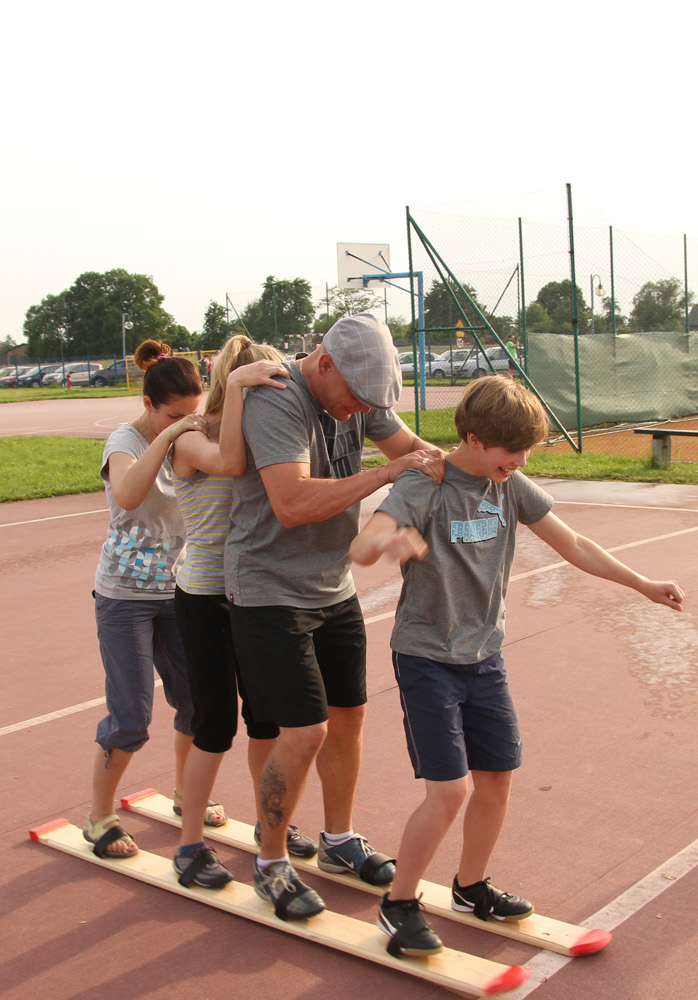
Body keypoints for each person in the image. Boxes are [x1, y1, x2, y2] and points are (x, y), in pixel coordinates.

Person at [350, 375, 685, 957]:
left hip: (485, 656)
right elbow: (362, 546)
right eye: (512, 451)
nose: (522, 461)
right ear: (474, 439)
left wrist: (642, 584)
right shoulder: (426, 481)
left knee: (497, 779)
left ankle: (470, 887)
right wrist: (393, 540)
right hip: (428, 657)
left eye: (527, 451)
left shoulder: (508, 484)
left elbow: (573, 544)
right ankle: (399, 904)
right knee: (449, 792)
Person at [225, 312, 445, 919]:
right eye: (355, 400)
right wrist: (386, 473)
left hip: (331, 585)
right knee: (304, 731)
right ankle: (271, 861)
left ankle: (339, 841)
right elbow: (292, 503)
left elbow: (418, 453)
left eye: (370, 405)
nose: (360, 413)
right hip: (268, 588)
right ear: (325, 364)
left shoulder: (359, 394)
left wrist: (485, 464)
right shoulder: (278, 398)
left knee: (349, 718)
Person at [167, 335, 294, 889]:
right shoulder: (191, 437)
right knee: (214, 727)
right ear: (236, 384)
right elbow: (231, 462)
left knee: (266, 720)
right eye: (268, 383)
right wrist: (241, 387)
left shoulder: (264, 432)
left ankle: (271, 827)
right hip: (204, 598)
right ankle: (189, 846)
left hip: (255, 593)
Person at [83, 339, 212, 860]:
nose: (183, 424)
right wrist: (170, 437)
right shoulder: (125, 441)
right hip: (125, 597)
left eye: (191, 415)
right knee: (131, 715)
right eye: (172, 416)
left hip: (180, 593)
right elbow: (129, 494)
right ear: (148, 405)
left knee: (198, 703)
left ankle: (186, 793)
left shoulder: (191, 435)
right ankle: (99, 816)